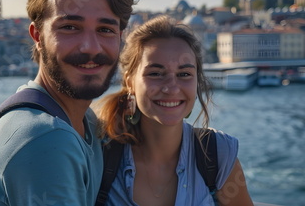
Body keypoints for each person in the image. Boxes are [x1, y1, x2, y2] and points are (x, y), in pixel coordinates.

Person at [0, 0, 136, 205]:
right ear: (37, 35)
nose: (91, 47)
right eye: (70, 27)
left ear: (120, 37)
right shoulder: (45, 138)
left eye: (105, 29)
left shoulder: (84, 122)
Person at [97, 16, 254, 206]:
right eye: (155, 73)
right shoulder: (100, 155)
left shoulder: (218, 156)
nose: (171, 88)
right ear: (130, 81)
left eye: (184, 74)